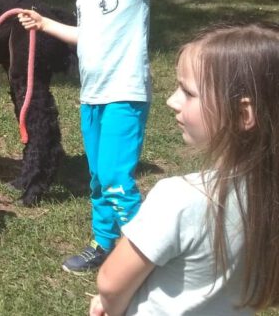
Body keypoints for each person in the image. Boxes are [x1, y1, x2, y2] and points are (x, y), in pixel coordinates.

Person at [18, 0, 178, 273]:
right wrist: (44, 24)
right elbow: (84, 36)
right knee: (98, 177)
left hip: (125, 94)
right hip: (92, 97)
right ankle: (103, 242)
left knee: (116, 178)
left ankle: (148, 255)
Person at [90, 22, 279, 315]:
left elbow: (111, 283)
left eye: (188, 93)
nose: (172, 100)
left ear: (243, 114)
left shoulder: (178, 198)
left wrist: (109, 307)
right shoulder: (270, 198)